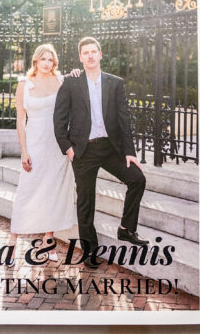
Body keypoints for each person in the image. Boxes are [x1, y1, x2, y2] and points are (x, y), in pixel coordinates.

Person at [53, 36, 147, 266]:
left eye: (93, 52)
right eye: (85, 53)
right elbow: (59, 119)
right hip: (83, 151)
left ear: (100, 54)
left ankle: (126, 229)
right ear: (80, 57)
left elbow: (124, 119)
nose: (90, 56)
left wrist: (129, 152)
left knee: (137, 179)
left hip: (110, 148)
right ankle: (90, 251)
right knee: (86, 202)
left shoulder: (115, 83)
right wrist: (68, 149)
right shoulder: (71, 82)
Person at [10, 44, 77, 260]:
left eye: (50, 60)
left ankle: (49, 243)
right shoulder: (24, 84)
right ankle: (12, 243)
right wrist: (24, 151)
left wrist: (76, 73)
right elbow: (20, 120)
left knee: (53, 192)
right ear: (36, 61)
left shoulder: (61, 80)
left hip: (57, 144)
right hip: (35, 143)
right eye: (43, 59)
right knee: (26, 191)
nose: (47, 63)